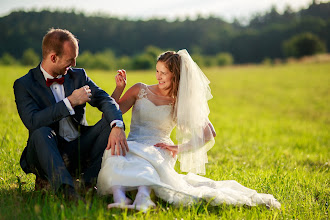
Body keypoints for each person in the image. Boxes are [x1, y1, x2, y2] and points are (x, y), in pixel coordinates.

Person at [97, 49, 281, 211]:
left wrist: (179, 148)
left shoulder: (180, 102)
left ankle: (143, 199)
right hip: (134, 142)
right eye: (157, 71)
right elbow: (111, 115)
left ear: (175, 75)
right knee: (114, 154)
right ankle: (119, 198)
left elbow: (209, 133)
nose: (158, 76)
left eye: (164, 73)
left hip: (159, 146)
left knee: (148, 161)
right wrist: (119, 88)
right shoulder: (140, 89)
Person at [13, 28, 128, 201]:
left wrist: (117, 125)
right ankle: (67, 192)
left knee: (109, 123)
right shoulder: (24, 84)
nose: (74, 64)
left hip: (79, 147)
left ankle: (87, 182)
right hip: (47, 151)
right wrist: (70, 102)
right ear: (53, 57)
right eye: (70, 59)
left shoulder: (78, 76)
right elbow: (33, 121)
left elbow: (105, 100)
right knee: (41, 132)